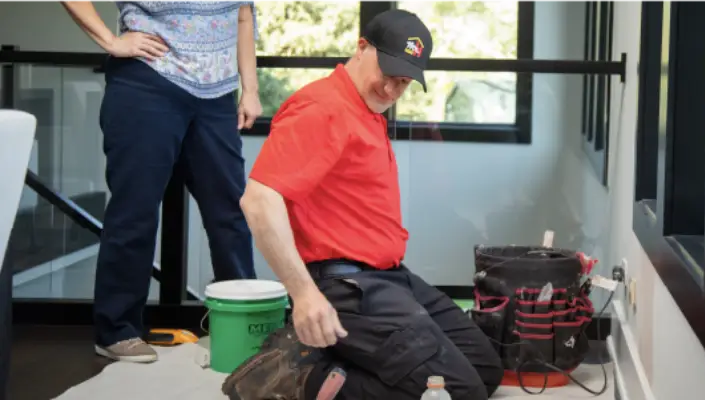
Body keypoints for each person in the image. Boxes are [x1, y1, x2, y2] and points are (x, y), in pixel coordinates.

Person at [224, 9, 504, 400]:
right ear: (361, 48)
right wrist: (304, 296)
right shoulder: (322, 109)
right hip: (345, 287)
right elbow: (258, 200)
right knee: (460, 391)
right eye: (387, 74)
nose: (391, 91)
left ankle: (341, 355)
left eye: (403, 83)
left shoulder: (365, 109)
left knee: (486, 369)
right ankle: (299, 377)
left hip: (389, 278)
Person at [58, 0, 260, 362]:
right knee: (135, 209)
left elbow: (243, 14)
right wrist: (111, 41)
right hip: (147, 82)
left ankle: (243, 323)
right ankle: (117, 330)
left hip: (216, 96)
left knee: (231, 211)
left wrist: (251, 89)